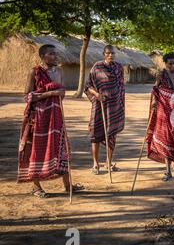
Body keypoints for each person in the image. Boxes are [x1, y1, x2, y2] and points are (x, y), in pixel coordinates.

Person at [18, 44, 83, 198]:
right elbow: (28, 96)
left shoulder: (59, 71)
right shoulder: (34, 72)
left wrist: (58, 93)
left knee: (62, 148)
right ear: (43, 57)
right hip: (38, 117)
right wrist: (51, 93)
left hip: (56, 115)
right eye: (51, 54)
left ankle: (68, 186)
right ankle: (36, 187)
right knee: (36, 149)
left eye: (55, 53)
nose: (55, 56)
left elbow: (62, 93)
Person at [85, 45, 125, 175]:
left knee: (111, 134)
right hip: (100, 105)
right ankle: (95, 164)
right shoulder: (97, 67)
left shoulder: (119, 67)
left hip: (114, 107)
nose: (110, 55)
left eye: (112, 53)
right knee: (96, 133)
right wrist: (96, 95)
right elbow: (88, 85)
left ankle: (108, 162)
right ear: (104, 54)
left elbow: (121, 87)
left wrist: (120, 103)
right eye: (108, 53)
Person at [147, 52, 174, 182]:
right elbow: (155, 89)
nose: (172, 65)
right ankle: (167, 170)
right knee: (166, 137)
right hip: (164, 108)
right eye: (170, 63)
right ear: (165, 64)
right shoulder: (162, 74)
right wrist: (154, 102)